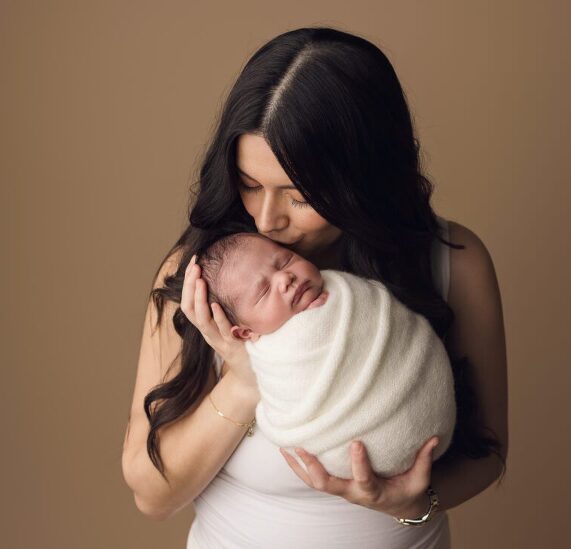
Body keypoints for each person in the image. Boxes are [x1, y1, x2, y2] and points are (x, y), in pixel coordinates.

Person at [121, 26, 508, 549]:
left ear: (364, 180)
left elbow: (488, 454)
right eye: (249, 184)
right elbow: (152, 497)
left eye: (299, 197)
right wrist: (244, 379)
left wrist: (412, 503)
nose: (266, 220)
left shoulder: (453, 262)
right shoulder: (204, 283)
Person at [193, 231, 456, 480]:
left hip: (422, 398)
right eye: (263, 291)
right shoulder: (273, 356)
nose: (284, 278)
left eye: (285, 261)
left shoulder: (343, 287)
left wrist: (329, 311)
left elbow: (389, 320)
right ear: (245, 333)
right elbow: (287, 402)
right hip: (359, 445)